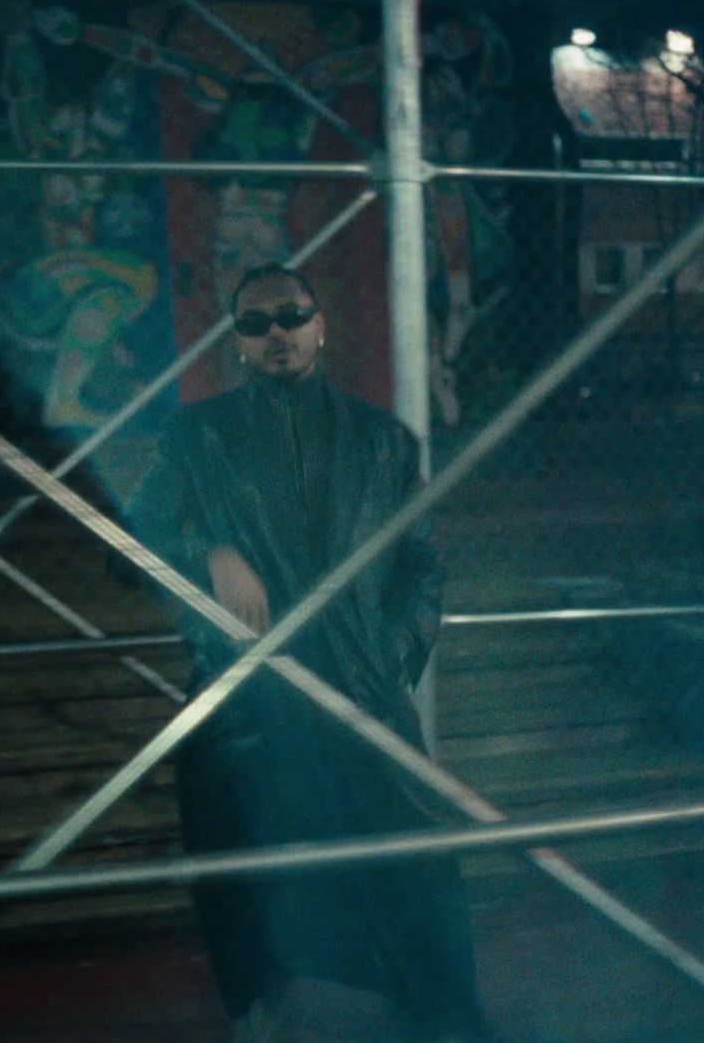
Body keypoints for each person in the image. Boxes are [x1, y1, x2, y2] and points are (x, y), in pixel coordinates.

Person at [124, 263, 486, 1041]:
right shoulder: (199, 436)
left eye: (290, 314)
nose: (276, 332)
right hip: (250, 696)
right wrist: (210, 547)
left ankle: (439, 1015)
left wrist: (392, 649)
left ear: (321, 325)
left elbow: (422, 561)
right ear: (238, 344)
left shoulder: (383, 441)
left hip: (362, 684)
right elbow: (133, 541)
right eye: (255, 323)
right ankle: (260, 1015)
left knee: (414, 867)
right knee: (245, 875)